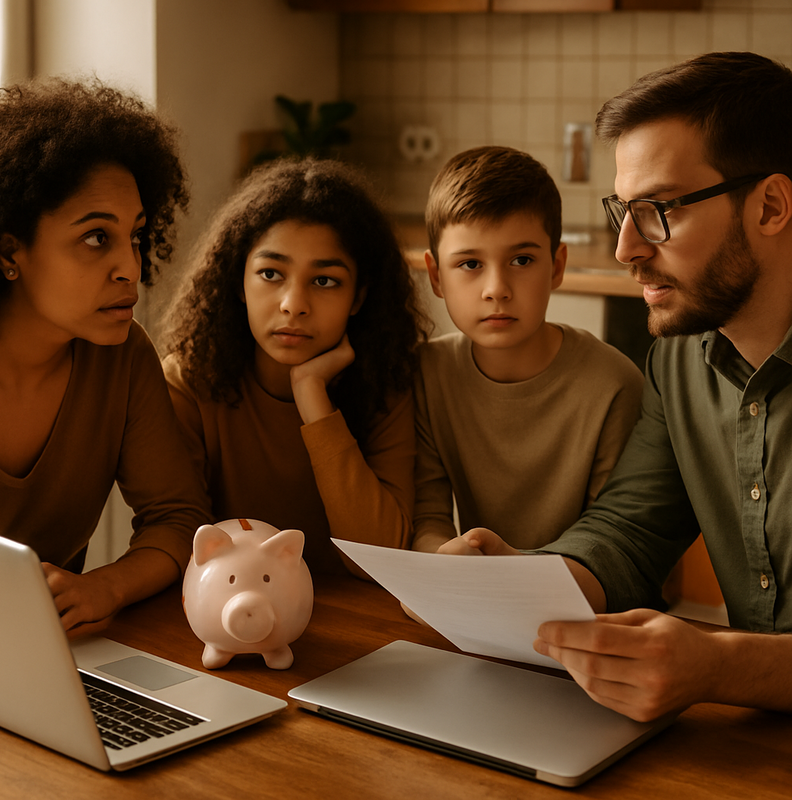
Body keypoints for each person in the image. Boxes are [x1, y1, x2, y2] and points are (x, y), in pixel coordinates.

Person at [440, 51, 792, 722]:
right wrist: (521, 581)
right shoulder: (678, 363)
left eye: (659, 210)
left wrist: (721, 665)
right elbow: (630, 531)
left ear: (770, 206)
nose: (627, 246)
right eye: (624, 211)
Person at [0, 77, 210, 637]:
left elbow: (178, 520)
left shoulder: (122, 357)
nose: (130, 269)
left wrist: (104, 587)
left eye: (135, 236)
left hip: (50, 653)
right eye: (95, 238)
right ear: (9, 250)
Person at [162, 158, 427, 576]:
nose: (293, 304)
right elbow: (180, 545)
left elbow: (380, 560)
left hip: (353, 612)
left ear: (358, 298)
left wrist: (314, 400)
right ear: (238, 282)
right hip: (226, 607)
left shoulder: (386, 382)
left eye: (324, 281)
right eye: (271, 273)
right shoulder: (187, 382)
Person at [412, 146, 644, 553]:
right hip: (476, 587)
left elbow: (614, 542)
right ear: (436, 276)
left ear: (557, 266)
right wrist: (444, 558)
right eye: (470, 264)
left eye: (521, 260)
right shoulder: (428, 373)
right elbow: (428, 518)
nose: (496, 289)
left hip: (584, 589)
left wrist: (508, 565)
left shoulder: (614, 385)